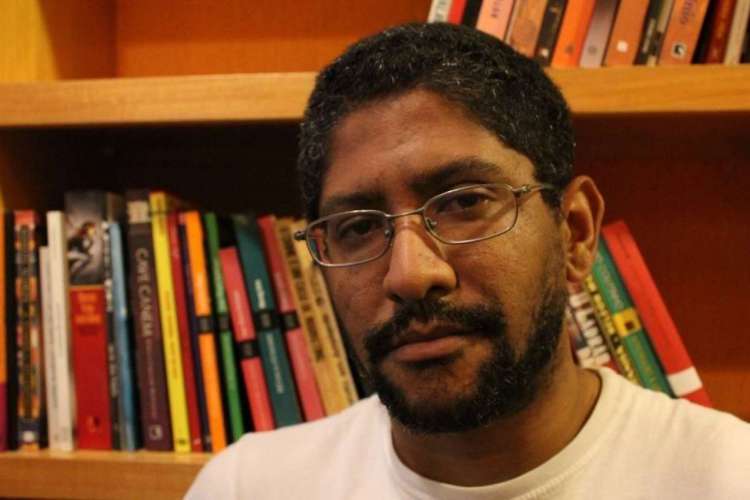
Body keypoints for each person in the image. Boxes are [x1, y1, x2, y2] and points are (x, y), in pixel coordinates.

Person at [186, 23, 750, 499]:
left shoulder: (726, 477)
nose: (410, 274)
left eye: (464, 203)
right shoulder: (248, 487)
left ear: (575, 234)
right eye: (358, 227)